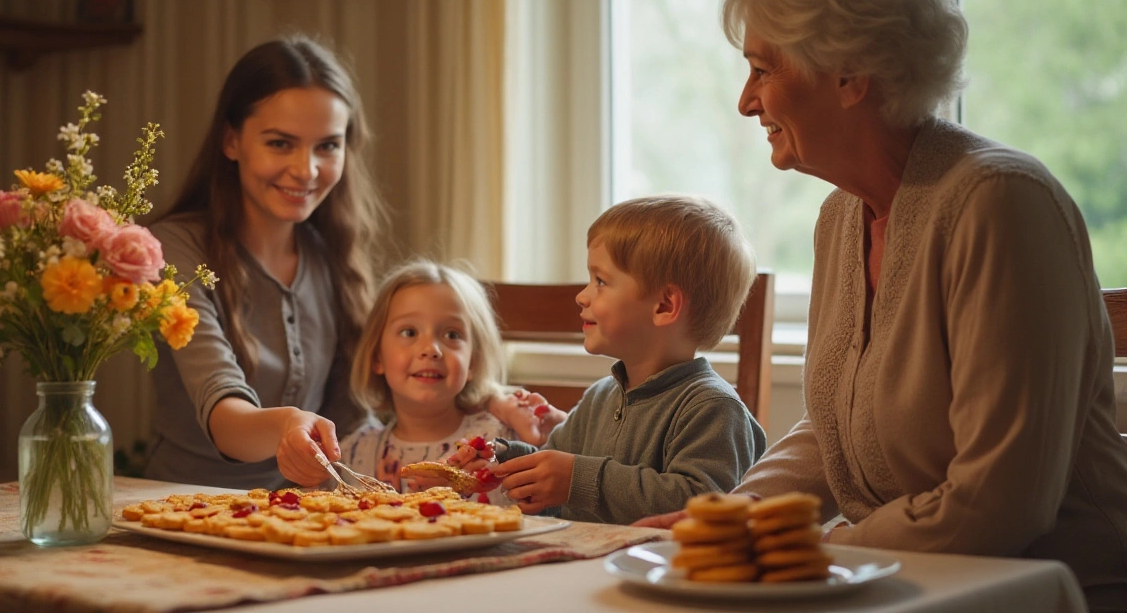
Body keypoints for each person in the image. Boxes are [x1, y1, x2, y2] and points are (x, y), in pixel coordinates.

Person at [635, 0, 1127, 609]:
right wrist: (733, 518)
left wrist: (814, 550)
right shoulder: (840, 217)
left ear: (848, 73)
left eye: (763, 69)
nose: (747, 101)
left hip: (1045, 588)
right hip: (902, 582)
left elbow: (999, 502)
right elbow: (833, 430)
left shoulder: (1000, 203)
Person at [143, 34, 386, 491]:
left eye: (328, 146)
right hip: (183, 506)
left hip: (306, 514)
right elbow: (223, 416)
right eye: (280, 143)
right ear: (231, 141)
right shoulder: (174, 249)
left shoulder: (331, 254)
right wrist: (288, 425)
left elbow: (352, 420)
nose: (307, 170)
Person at [450, 195, 767, 525]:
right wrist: (503, 460)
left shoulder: (713, 409)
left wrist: (578, 480)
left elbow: (701, 505)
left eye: (600, 281)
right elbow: (556, 480)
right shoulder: (600, 398)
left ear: (664, 306)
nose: (582, 295)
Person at [340, 259, 567, 505]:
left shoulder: (502, 442)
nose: (431, 349)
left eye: (452, 335)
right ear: (377, 356)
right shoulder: (352, 454)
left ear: (473, 362)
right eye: (409, 332)